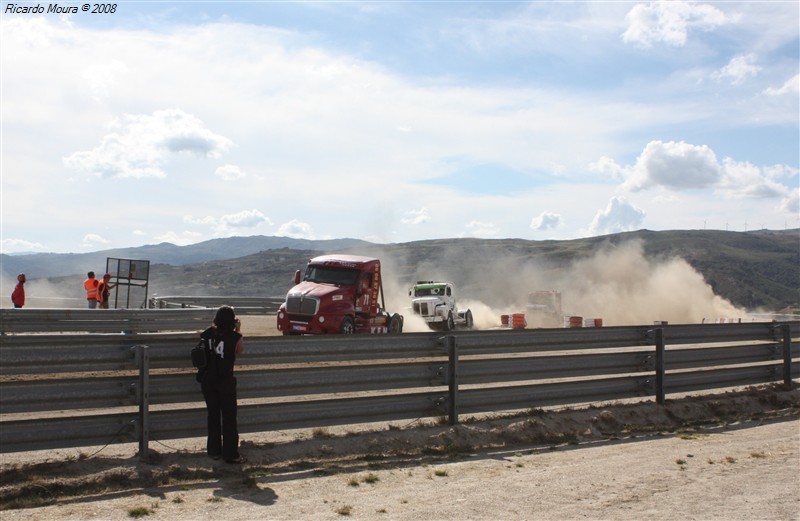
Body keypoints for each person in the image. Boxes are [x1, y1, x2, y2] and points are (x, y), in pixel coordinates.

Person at [196, 305, 246, 464]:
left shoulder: (207, 334)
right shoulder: (235, 337)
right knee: (229, 417)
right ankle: (231, 454)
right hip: (226, 381)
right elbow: (239, 350)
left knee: (213, 416)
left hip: (208, 381)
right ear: (233, 320)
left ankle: (214, 451)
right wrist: (238, 330)